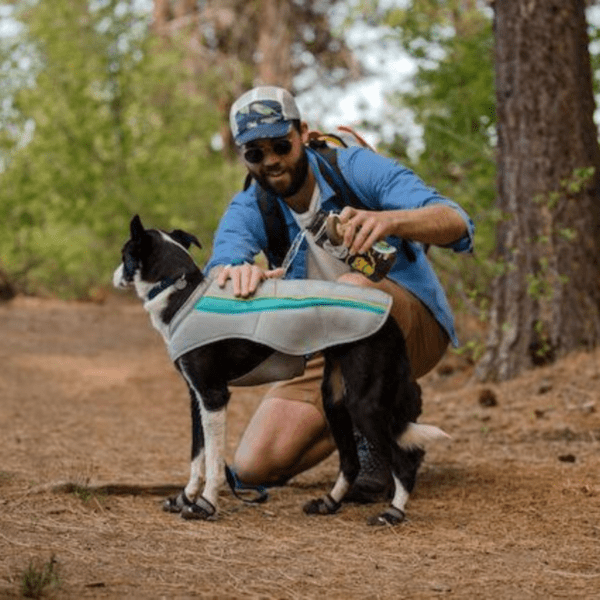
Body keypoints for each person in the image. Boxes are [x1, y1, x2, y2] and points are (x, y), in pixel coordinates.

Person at [205, 86, 474, 501]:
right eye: (256, 153)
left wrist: (391, 220)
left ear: (303, 133)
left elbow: (455, 222)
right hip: (327, 347)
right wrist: (236, 272)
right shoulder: (251, 206)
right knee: (255, 465)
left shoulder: (354, 167)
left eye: (280, 144)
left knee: (349, 292)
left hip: (408, 329)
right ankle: (386, 430)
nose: (271, 161)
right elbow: (222, 262)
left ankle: (376, 457)